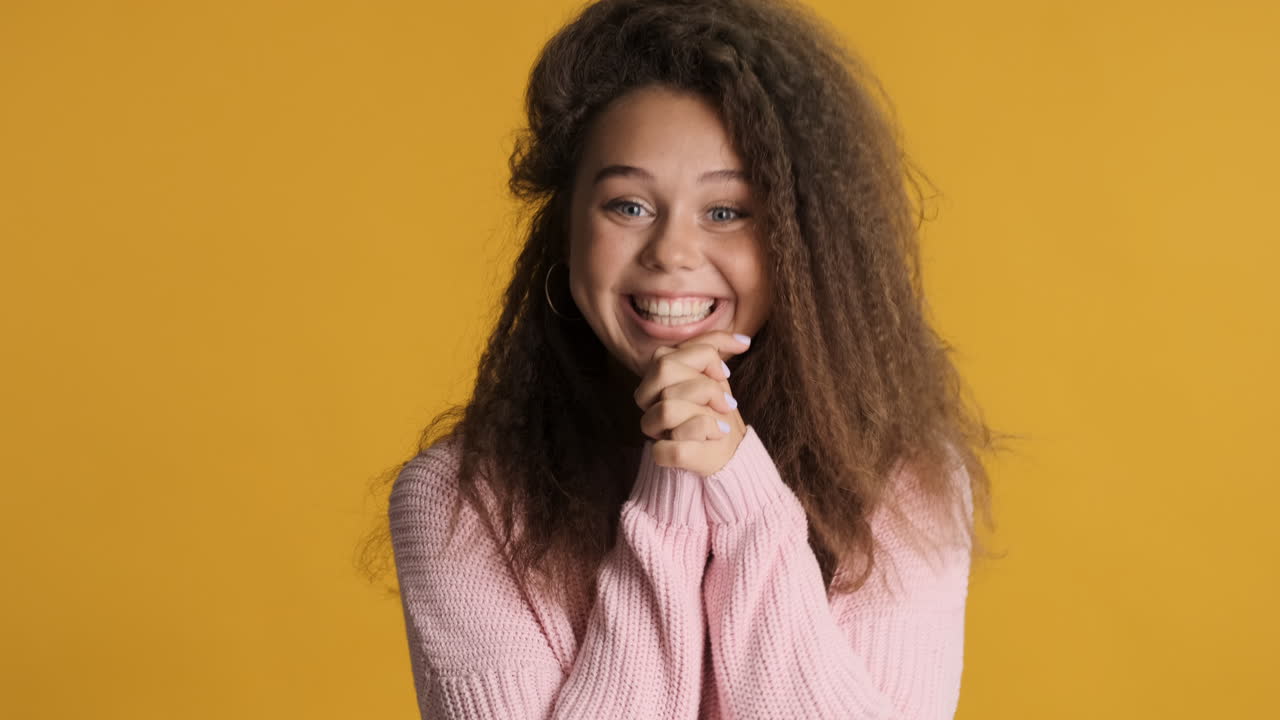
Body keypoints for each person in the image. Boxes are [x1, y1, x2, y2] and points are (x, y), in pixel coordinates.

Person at [381, 0, 1008, 717]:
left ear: (802, 246)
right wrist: (673, 490)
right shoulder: (460, 505)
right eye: (628, 206)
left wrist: (739, 491)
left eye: (726, 211)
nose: (672, 252)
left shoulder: (908, 484)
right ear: (565, 229)